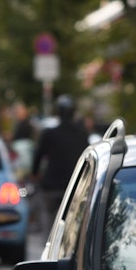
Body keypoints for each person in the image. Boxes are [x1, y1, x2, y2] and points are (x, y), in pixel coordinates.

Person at [30, 95, 90, 235]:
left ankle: (50, 251)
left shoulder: (49, 134)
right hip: (74, 186)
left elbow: (38, 158)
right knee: (72, 225)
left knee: (49, 222)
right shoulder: (81, 134)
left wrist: (34, 175)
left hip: (51, 187)